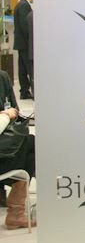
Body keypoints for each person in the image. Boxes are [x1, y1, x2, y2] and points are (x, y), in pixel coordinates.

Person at [0, 69, 36, 229]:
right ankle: (16, 213)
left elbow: (15, 111)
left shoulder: (2, 77)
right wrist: (5, 115)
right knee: (32, 147)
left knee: (31, 147)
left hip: (6, 144)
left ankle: (16, 213)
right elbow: (9, 113)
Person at [13, 0, 33, 100]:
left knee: (22, 69)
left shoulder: (19, 4)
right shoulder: (24, 5)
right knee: (29, 68)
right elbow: (26, 26)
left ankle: (24, 91)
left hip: (20, 43)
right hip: (25, 43)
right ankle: (28, 91)